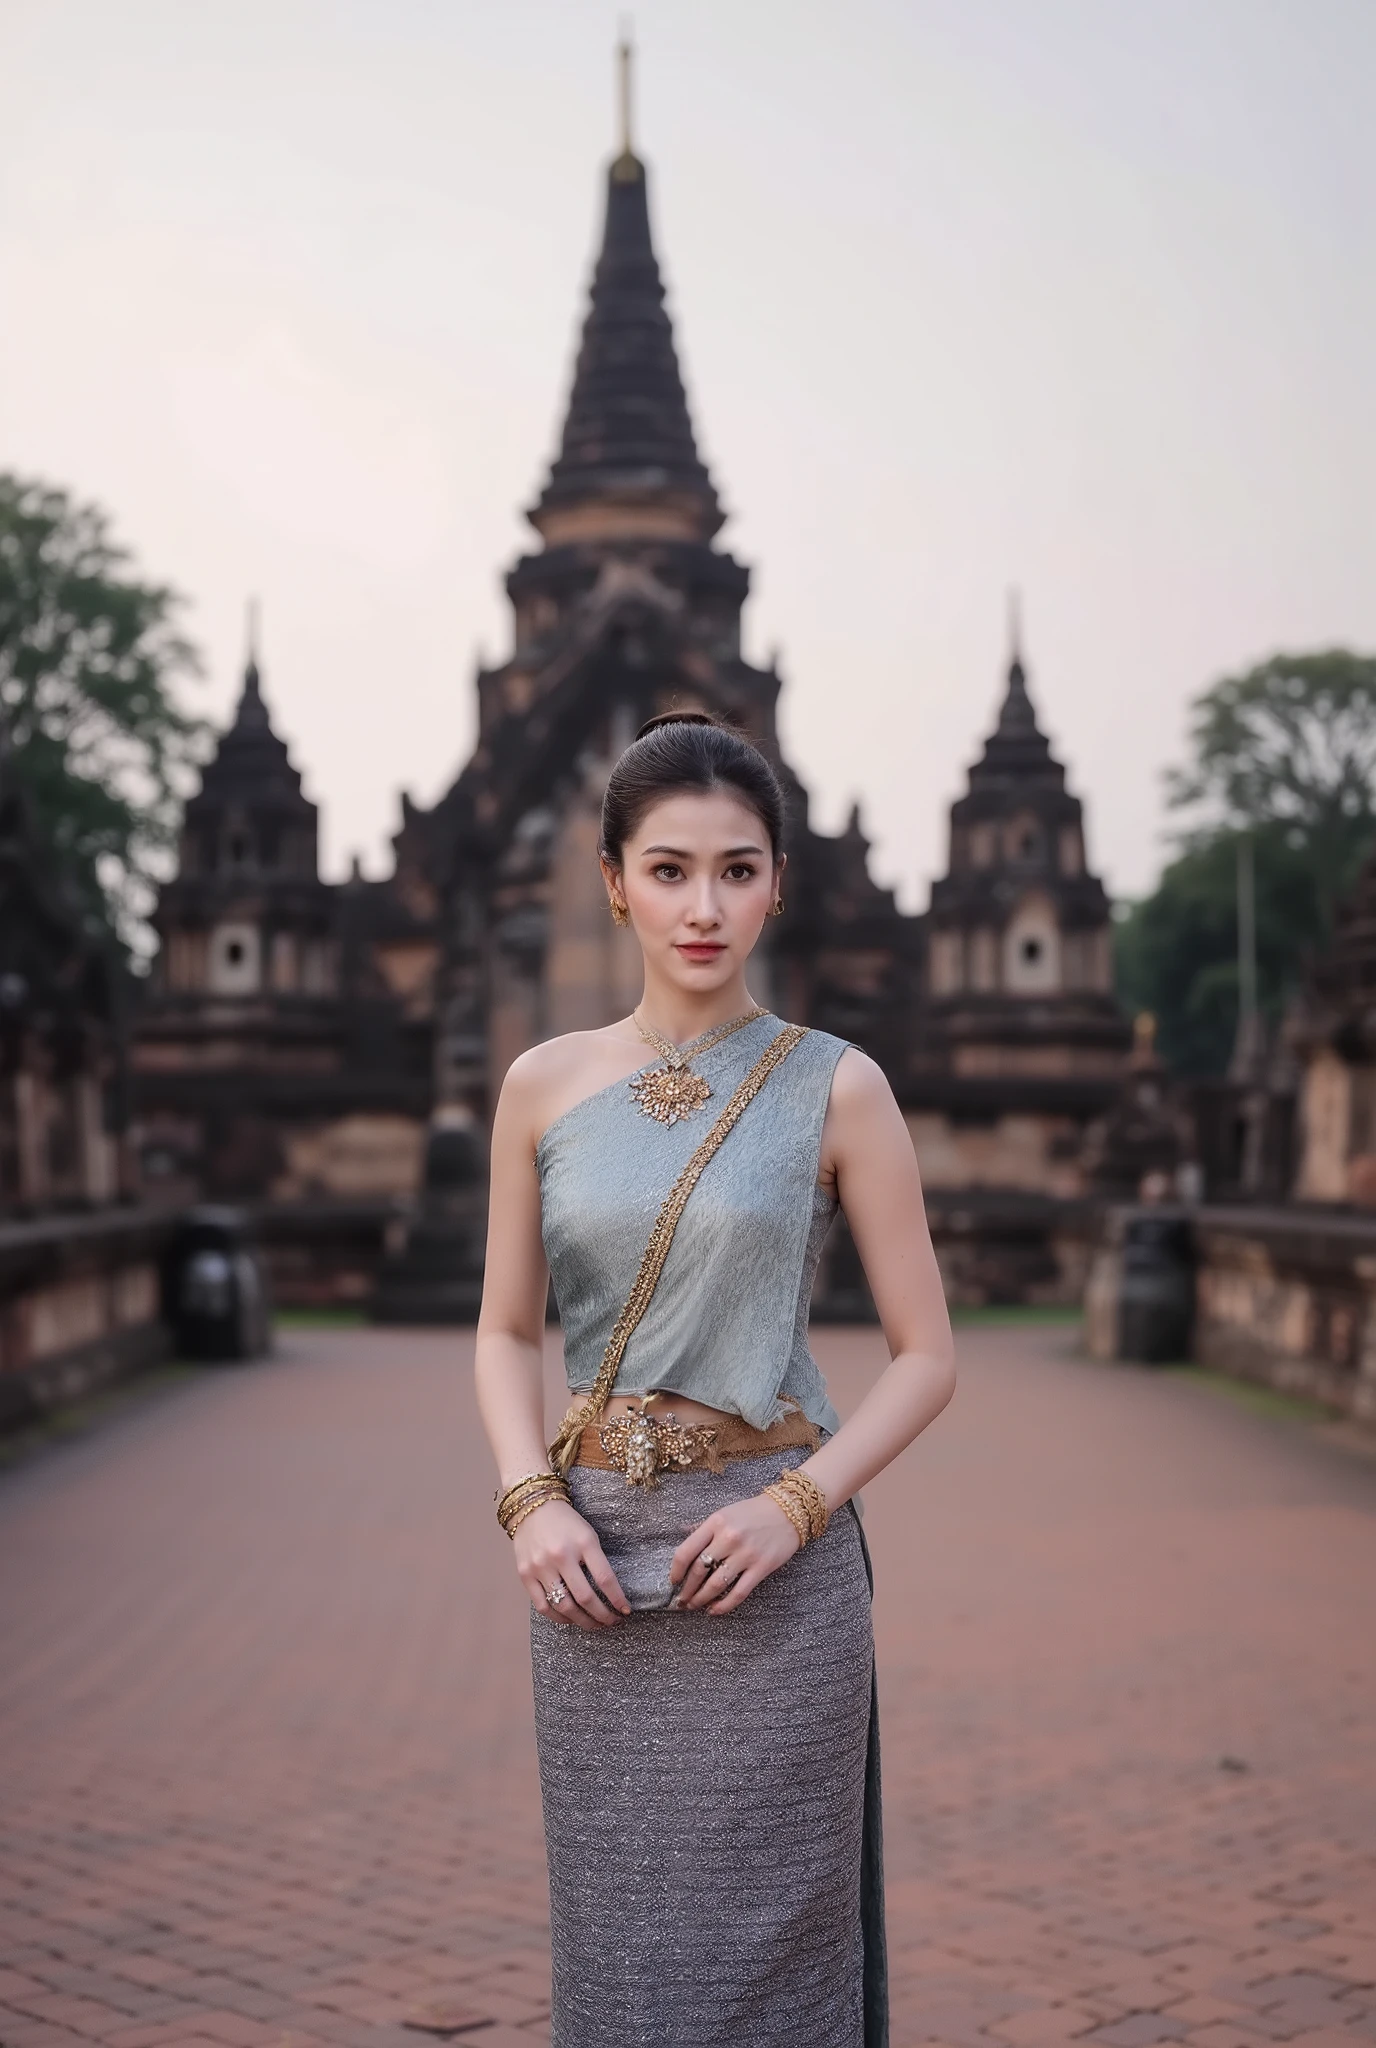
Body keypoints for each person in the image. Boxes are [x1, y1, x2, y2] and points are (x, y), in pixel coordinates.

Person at [475, 711, 955, 2048]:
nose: (705, 907)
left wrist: (796, 1508)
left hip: (773, 1562)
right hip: (592, 1569)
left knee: (775, 1964)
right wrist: (531, 1502)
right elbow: (505, 1330)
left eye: (738, 870)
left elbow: (928, 1359)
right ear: (615, 879)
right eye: (671, 870)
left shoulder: (839, 1087)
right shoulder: (540, 1085)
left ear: (779, 883)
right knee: (625, 1963)